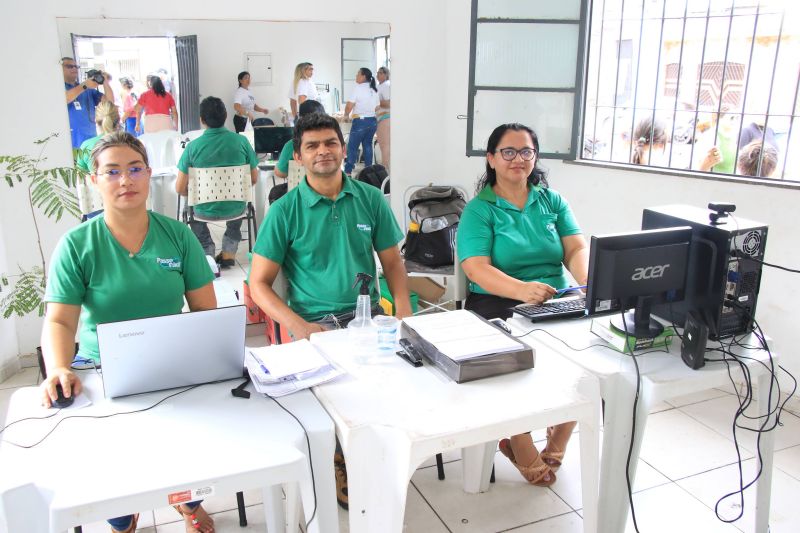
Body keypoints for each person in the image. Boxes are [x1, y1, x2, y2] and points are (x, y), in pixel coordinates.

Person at [39, 131, 217, 533]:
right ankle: (123, 514)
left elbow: (206, 312)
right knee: (107, 453)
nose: (126, 180)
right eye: (113, 171)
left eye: (135, 169)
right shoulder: (77, 245)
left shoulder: (178, 236)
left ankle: (188, 502)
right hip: (101, 366)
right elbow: (59, 321)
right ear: (94, 180)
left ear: (149, 174)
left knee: (206, 430)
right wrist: (58, 368)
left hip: (170, 363)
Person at [249, 113, 411, 510]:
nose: (323, 151)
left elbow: (392, 263)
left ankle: (378, 448)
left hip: (368, 315)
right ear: (299, 157)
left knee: (400, 382)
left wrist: (405, 316)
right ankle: (341, 457)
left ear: (343, 148)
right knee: (336, 400)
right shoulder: (286, 210)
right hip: (315, 324)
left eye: (330, 143)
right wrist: (299, 326)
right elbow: (258, 284)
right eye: (312, 145)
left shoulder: (370, 199)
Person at [457, 123, 589, 487]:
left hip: (555, 296)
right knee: (512, 366)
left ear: (535, 157)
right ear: (491, 158)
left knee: (589, 356)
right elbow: (476, 267)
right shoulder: (480, 210)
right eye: (508, 152)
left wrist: (584, 284)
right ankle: (518, 439)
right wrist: (521, 290)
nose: (518, 159)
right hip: (496, 299)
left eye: (526, 152)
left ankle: (558, 439)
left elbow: (575, 248)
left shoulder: (552, 200)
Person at [176, 96, 259, 268]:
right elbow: (253, 179)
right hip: (236, 208)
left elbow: (179, 187)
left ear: (201, 120)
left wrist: (192, 193)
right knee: (242, 197)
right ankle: (229, 250)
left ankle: (207, 251)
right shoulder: (242, 142)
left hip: (203, 210)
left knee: (188, 202)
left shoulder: (192, 147)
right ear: (226, 115)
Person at [62, 57, 114, 149]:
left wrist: (105, 82)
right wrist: (84, 85)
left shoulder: (87, 89)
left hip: (90, 141)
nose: (74, 69)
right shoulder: (60, 86)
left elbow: (110, 102)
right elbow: (64, 99)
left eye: (76, 66)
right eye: (69, 66)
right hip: (71, 143)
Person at [273, 99, 326, 180]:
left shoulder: (292, 144)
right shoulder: (331, 143)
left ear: (300, 119)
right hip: (327, 190)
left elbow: (280, 173)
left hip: (299, 190)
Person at [343, 67, 379, 176]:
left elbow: (349, 105)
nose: (356, 76)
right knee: (367, 145)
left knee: (353, 146)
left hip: (360, 122)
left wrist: (346, 115)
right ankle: (368, 169)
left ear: (363, 76)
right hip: (372, 121)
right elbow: (377, 107)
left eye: (358, 74)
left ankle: (348, 171)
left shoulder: (358, 88)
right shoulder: (374, 89)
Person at [75, 100, 120, 174]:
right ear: (118, 120)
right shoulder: (131, 144)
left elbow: (80, 179)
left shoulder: (86, 146)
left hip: (96, 185)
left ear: (95, 120)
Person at [375, 66, 391, 173]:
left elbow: (390, 103)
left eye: (381, 73)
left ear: (386, 74)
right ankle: (386, 169)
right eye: (377, 73)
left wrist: (375, 102)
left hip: (385, 117)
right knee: (384, 145)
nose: (378, 75)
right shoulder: (380, 86)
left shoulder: (386, 85)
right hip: (382, 117)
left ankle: (385, 171)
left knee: (385, 145)